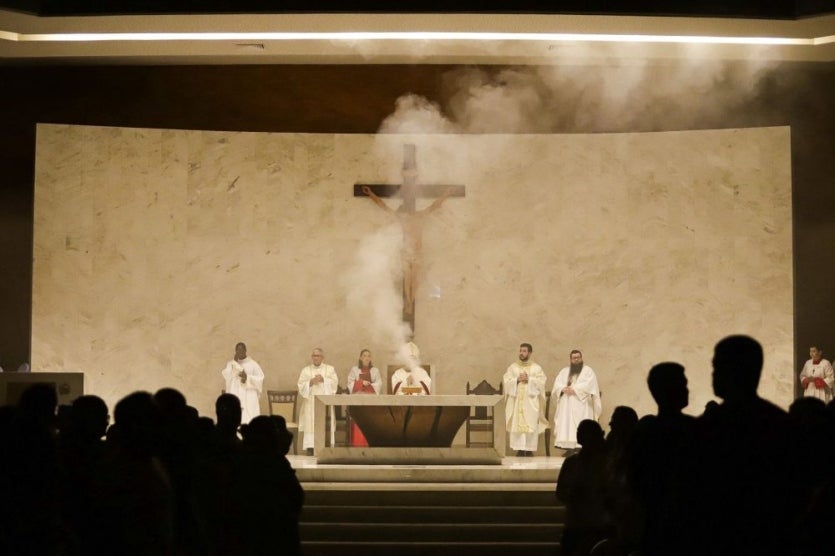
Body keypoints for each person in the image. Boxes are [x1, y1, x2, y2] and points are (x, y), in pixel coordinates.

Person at [502, 342, 548, 456]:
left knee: (530, 423)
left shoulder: (536, 368)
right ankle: (519, 449)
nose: (521, 353)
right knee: (517, 424)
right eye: (520, 351)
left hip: (530, 402)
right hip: (517, 401)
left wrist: (530, 379)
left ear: (530, 353)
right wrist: (516, 380)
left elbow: (542, 382)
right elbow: (506, 381)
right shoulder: (513, 367)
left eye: (524, 351)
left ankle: (529, 449)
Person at [552, 350, 602, 450]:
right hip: (566, 404)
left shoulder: (588, 371)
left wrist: (575, 389)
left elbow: (590, 385)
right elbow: (557, 384)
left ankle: (580, 447)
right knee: (567, 425)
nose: (576, 360)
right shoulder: (564, 371)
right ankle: (568, 447)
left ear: (581, 358)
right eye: (574, 358)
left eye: (578, 357)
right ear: (570, 359)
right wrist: (563, 389)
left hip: (583, 404)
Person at [296, 348, 338, 455]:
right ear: (312, 357)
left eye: (318, 355)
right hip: (310, 403)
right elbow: (300, 386)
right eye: (314, 356)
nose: (316, 358)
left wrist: (324, 380)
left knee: (324, 424)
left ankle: (326, 448)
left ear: (322, 357)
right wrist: (310, 382)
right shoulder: (306, 370)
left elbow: (334, 384)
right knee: (310, 424)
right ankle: (310, 448)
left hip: (325, 404)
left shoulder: (330, 369)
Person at [220, 342, 264, 425]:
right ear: (235, 351)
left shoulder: (253, 364)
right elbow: (227, 376)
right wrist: (234, 363)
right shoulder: (231, 364)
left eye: (241, 350)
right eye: (238, 350)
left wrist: (247, 377)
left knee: (249, 421)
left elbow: (260, 379)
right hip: (235, 393)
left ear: (245, 350)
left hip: (249, 396)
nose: (240, 352)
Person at [345, 349, 382, 446]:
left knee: (371, 422)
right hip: (358, 401)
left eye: (369, 356)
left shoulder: (375, 371)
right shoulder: (354, 370)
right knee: (358, 422)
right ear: (361, 358)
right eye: (364, 356)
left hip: (371, 401)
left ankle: (370, 444)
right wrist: (361, 383)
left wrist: (368, 385)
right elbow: (349, 383)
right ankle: (358, 444)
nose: (366, 358)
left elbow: (379, 384)